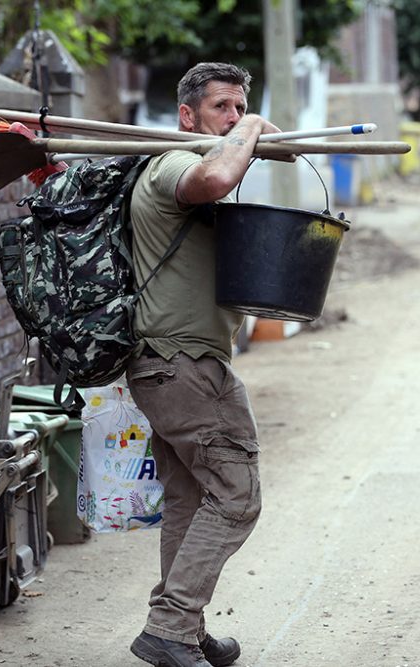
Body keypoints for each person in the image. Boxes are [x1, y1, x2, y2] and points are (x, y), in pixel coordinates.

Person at [124, 62, 286, 667]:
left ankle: (182, 629)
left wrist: (250, 136)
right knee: (238, 494)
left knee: (191, 498)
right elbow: (217, 176)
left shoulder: (187, 157)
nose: (235, 118)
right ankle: (168, 627)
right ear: (188, 116)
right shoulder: (173, 162)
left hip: (169, 363)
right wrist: (254, 131)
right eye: (223, 107)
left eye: (242, 107)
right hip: (185, 365)